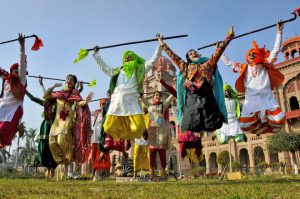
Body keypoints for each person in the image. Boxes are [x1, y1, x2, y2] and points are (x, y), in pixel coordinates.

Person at [156, 27, 234, 133]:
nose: (194, 54)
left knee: (210, 117)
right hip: (192, 95)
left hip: (206, 93)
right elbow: (173, 55)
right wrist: (161, 42)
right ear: (189, 58)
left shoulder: (208, 64)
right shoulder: (185, 66)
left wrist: (229, 37)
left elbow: (219, 52)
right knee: (192, 117)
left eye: (195, 52)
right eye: (191, 54)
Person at [220, 22, 285, 135]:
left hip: (266, 98)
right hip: (251, 101)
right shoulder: (243, 68)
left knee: (279, 120)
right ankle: (261, 125)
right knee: (244, 125)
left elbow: (275, 50)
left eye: (253, 53)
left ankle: (264, 119)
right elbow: (229, 63)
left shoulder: (265, 64)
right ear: (247, 58)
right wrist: (220, 50)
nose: (251, 55)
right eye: (249, 54)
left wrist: (279, 32)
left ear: (258, 56)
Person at [93, 43, 162, 140]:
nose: (127, 58)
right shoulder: (117, 71)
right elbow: (105, 68)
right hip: (117, 102)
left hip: (131, 102)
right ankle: (124, 138)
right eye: (125, 57)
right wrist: (96, 55)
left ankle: (137, 134)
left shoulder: (139, 70)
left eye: (129, 57)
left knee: (138, 127)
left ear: (134, 59)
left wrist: (159, 45)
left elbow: (152, 61)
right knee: (108, 127)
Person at [43, 74, 93, 180]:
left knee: (62, 140)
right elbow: (46, 96)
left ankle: (69, 169)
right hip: (57, 121)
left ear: (74, 83)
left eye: (71, 80)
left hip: (67, 120)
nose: (69, 81)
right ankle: (63, 163)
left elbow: (79, 103)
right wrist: (53, 87)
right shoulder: (59, 93)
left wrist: (85, 102)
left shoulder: (75, 93)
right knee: (52, 142)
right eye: (68, 79)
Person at [25, 77, 57, 179]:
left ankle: (53, 168)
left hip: (55, 127)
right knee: (44, 149)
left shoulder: (59, 105)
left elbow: (71, 99)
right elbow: (34, 98)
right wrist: (24, 90)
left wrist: (79, 88)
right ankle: (48, 168)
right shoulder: (45, 103)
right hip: (45, 127)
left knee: (54, 148)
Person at [141, 91, 174, 180]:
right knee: (152, 152)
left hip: (161, 131)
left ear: (161, 98)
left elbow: (171, 97)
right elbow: (142, 98)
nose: (158, 96)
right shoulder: (149, 105)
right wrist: (139, 92)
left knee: (161, 152)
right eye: (156, 95)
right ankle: (152, 173)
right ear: (153, 97)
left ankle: (163, 173)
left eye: (159, 95)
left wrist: (174, 89)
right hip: (152, 131)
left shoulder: (164, 105)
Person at [0, 34, 26, 148]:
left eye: (18, 70)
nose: (17, 71)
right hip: (2, 107)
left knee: (2, 131)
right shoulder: (6, 78)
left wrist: (22, 45)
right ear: (11, 72)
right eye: (14, 70)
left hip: (13, 110)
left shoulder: (22, 80)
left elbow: (22, 64)